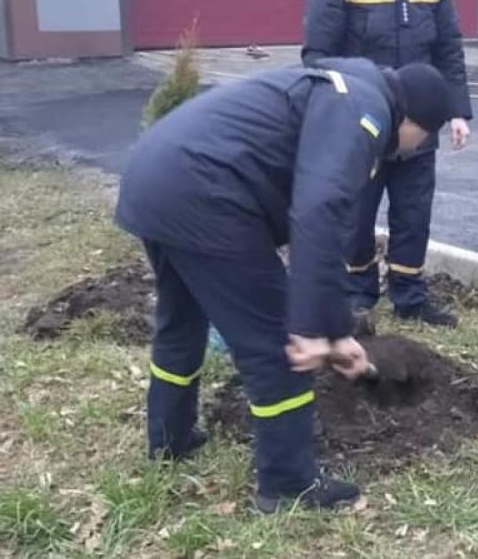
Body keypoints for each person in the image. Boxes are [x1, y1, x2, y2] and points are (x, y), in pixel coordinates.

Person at [115, 58, 456, 512]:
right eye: (425, 137)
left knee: (182, 320)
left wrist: (336, 331)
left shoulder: (343, 85)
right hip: (205, 194)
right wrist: (316, 328)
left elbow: (308, 205)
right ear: (413, 120)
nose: (417, 148)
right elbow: (319, 211)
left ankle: (168, 439)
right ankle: (287, 485)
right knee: (277, 344)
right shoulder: (365, 110)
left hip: (156, 178)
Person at [302, 0, 473, 328]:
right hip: (362, 123)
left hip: (418, 120)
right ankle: (359, 290)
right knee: (357, 213)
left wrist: (456, 111)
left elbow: (449, 48)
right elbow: (317, 57)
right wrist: (367, 88)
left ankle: (410, 296)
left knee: (414, 211)